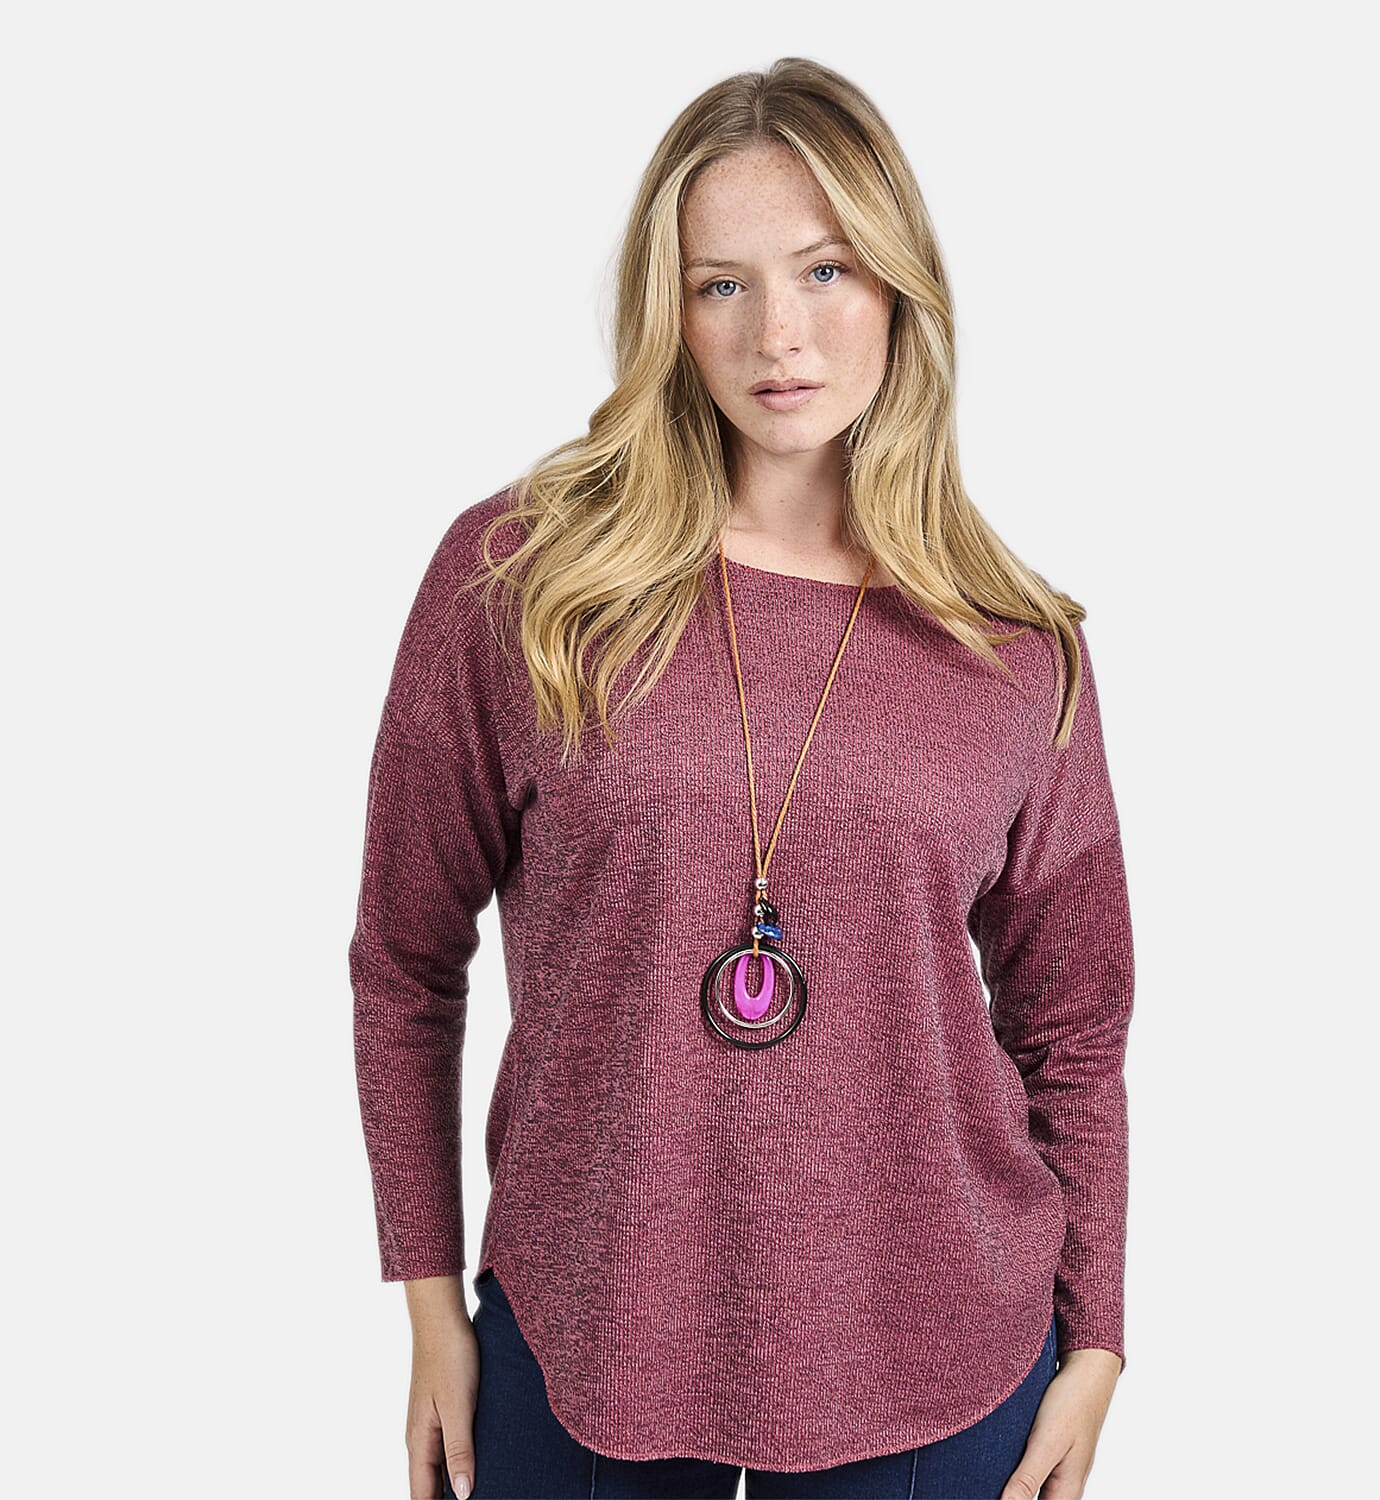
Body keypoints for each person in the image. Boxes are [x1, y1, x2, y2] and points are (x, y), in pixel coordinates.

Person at [350, 56, 1135, 1500]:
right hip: (580, 1337)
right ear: (669, 312)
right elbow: (404, 957)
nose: (782, 334)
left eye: (827, 270)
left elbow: (1073, 1017)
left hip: (947, 1361)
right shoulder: (522, 580)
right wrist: (428, 1303)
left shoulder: (1015, 643)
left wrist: (1097, 1338)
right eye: (723, 285)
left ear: (900, 286)